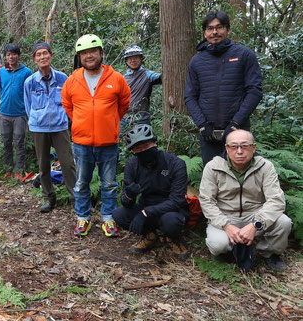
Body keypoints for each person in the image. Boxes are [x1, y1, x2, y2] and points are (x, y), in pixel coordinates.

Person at [62, 34, 131, 237]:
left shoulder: (116, 78)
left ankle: (108, 218)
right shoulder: (72, 80)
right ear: (79, 57)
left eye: (92, 51)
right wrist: (82, 123)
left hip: (108, 142)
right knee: (82, 183)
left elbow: (124, 103)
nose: (89, 55)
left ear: (101, 53)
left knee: (109, 183)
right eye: (84, 53)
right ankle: (83, 217)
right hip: (82, 143)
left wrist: (108, 122)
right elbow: (67, 105)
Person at [199, 129, 292, 271]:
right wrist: (226, 225)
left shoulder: (265, 167)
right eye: (234, 146)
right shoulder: (213, 167)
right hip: (225, 215)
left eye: (245, 146)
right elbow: (206, 201)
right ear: (227, 148)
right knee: (218, 244)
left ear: (253, 147)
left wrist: (255, 225)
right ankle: (227, 252)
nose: (239, 151)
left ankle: (269, 253)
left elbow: (276, 200)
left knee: (284, 223)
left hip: (255, 213)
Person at [185, 10, 263, 165]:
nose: (214, 32)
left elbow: (254, 91)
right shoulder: (197, 61)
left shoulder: (244, 55)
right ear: (205, 33)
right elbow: (190, 96)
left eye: (219, 27)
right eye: (210, 28)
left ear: (228, 30)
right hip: (209, 133)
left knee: (242, 175)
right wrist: (202, 125)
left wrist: (236, 124)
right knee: (213, 176)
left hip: (238, 132)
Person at [113, 124, 189, 257]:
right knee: (119, 214)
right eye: (138, 148)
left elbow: (177, 200)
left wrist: (146, 213)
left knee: (171, 222)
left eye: (146, 146)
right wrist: (129, 195)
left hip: (171, 209)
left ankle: (172, 238)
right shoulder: (132, 165)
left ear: (155, 143)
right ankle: (150, 234)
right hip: (146, 205)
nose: (143, 150)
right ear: (134, 151)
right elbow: (125, 203)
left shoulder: (175, 164)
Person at [24, 42, 76, 213]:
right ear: (34, 59)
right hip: (39, 128)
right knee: (43, 165)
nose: (42, 57)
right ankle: (48, 197)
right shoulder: (30, 82)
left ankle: (75, 198)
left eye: (45, 53)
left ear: (51, 55)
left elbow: (70, 103)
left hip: (60, 127)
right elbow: (28, 106)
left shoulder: (63, 78)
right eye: (38, 54)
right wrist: (36, 121)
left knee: (68, 164)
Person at [0, 43, 33, 179]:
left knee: (19, 142)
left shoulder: (26, 72)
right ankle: (8, 169)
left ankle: (19, 169)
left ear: (18, 55)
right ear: (5, 57)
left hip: (20, 114)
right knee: (6, 142)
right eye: (8, 54)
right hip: (4, 113)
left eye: (13, 54)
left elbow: (29, 93)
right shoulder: (1, 72)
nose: (11, 57)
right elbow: (0, 88)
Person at [120, 45, 161, 129]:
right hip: (124, 119)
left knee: (146, 141)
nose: (133, 60)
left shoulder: (147, 75)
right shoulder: (122, 78)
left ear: (141, 58)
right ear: (126, 61)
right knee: (117, 140)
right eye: (129, 58)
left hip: (142, 119)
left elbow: (161, 77)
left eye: (136, 57)